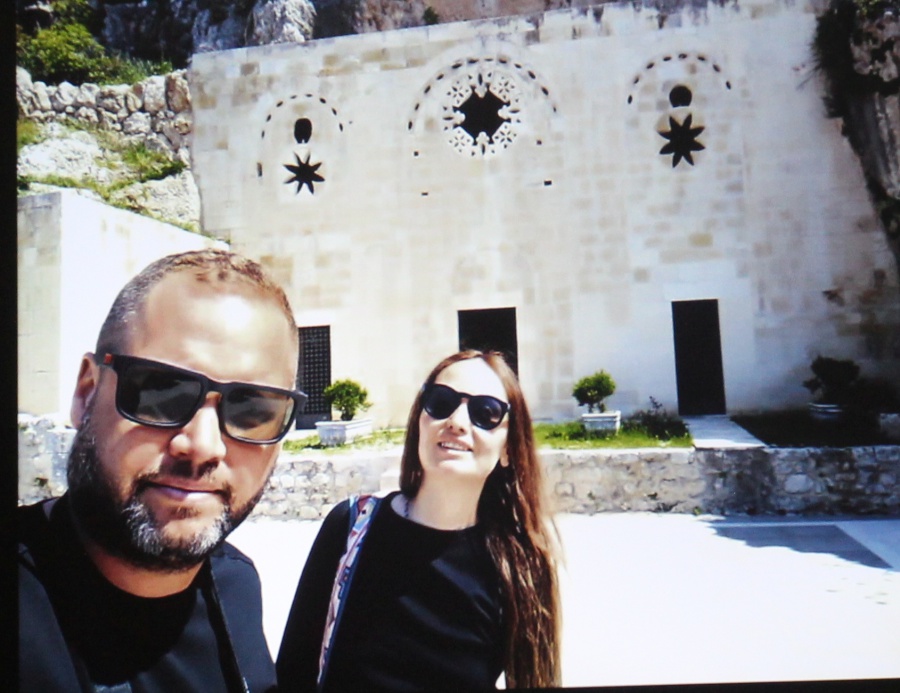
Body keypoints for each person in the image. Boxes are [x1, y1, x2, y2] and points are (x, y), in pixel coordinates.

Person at [18, 249, 307, 691]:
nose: (203, 446)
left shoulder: (235, 585)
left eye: (252, 410)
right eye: (160, 392)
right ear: (87, 392)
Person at [277, 350, 562, 691]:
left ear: (508, 449)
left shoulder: (520, 564)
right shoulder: (350, 527)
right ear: (419, 422)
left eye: (485, 412)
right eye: (442, 402)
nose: (457, 422)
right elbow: (292, 673)